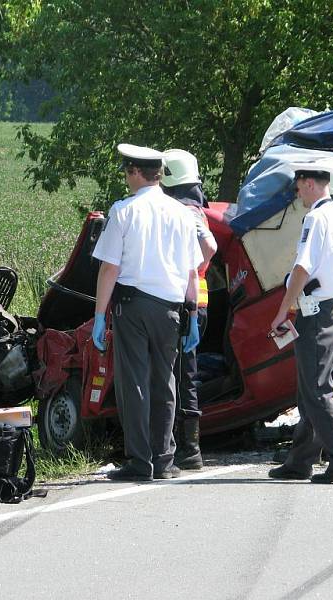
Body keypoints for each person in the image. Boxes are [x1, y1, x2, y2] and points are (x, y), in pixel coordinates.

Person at [91, 143, 202, 481]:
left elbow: (109, 268)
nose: (126, 178)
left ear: (137, 172)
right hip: (171, 309)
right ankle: (165, 459)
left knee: (134, 383)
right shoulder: (182, 213)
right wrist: (193, 315)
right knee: (165, 382)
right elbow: (192, 271)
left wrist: (99, 316)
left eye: (128, 172)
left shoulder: (124, 211)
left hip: (134, 306)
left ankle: (140, 462)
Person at [268, 169, 333, 484]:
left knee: (316, 387)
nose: (298, 194)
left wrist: (283, 310)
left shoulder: (317, 219)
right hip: (331, 305)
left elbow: (302, 268)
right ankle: (301, 459)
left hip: (316, 309)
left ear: (310, 184)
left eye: (299, 188)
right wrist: (331, 276)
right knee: (311, 386)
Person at [161, 148, 217, 470]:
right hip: (198, 301)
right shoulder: (196, 207)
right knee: (187, 374)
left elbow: (209, 246)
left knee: (182, 376)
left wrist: (195, 267)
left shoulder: (184, 210)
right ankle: (189, 446)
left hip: (187, 304)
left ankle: (188, 450)